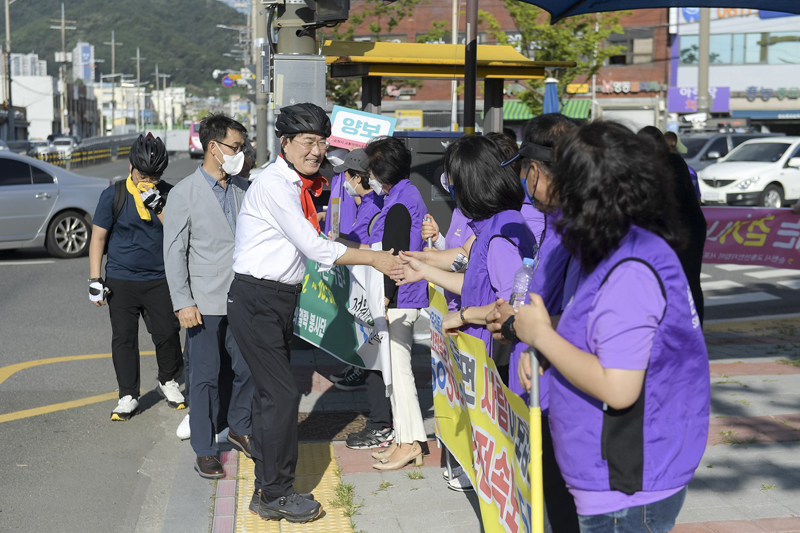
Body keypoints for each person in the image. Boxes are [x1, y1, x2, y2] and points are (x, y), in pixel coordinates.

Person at [488, 121, 710, 532]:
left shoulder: (631, 268)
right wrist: (544, 334)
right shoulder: (614, 245)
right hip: (610, 474)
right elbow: (593, 323)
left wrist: (542, 337)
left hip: (626, 485)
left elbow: (618, 387)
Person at [227, 103, 400, 524]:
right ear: (285, 143)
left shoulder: (297, 183)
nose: (317, 150)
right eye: (308, 142)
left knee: (275, 397)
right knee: (283, 396)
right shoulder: (275, 185)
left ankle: (266, 487)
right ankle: (276, 492)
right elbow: (316, 247)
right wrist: (374, 260)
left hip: (275, 300)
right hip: (257, 300)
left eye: (322, 142)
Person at [163, 114, 254, 479]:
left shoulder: (243, 188)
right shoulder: (184, 193)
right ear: (214, 147)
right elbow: (174, 252)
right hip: (202, 302)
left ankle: (238, 424)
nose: (240, 153)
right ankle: (205, 448)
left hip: (243, 298)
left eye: (242, 147)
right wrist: (182, 301)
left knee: (247, 368)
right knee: (205, 375)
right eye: (235, 146)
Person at [87, 133, 185, 421]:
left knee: (167, 333)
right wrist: (95, 279)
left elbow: (180, 232)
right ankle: (127, 394)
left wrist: (159, 205)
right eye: (144, 174)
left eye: (155, 175)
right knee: (124, 338)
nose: (149, 180)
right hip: (120, 279)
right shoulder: (114, 195)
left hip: (160, 278)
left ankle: (168, 380)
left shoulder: (169, 193)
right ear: (131, 167)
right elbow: (98, 238)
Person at [360, 136, 430, 471]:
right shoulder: (404, 194)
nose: (367, 175)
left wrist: (386, 297)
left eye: (371, 167)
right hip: (402, 294)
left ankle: (411, 442)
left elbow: (395, 255)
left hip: (401, 296)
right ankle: (403, 439)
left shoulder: (401, 201)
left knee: (400, 374)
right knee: (396, 373)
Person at [326, 149, 397, 449]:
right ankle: (381, 422)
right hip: (371, 292)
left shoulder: (373, 205)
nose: (342, 180)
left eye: (346, 175)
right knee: (375, 359)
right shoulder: (373, 201)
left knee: (377, 361)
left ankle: (382, 425)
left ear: (358, 177)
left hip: (376, 294)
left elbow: (367, 245)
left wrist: (337, 244)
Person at [639, 126, 707, 325]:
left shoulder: (674, 162)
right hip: (666, 231)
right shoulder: (644, 166)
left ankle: (695, 330)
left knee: (689, 281)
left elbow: (673, 197)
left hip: (688, 230)